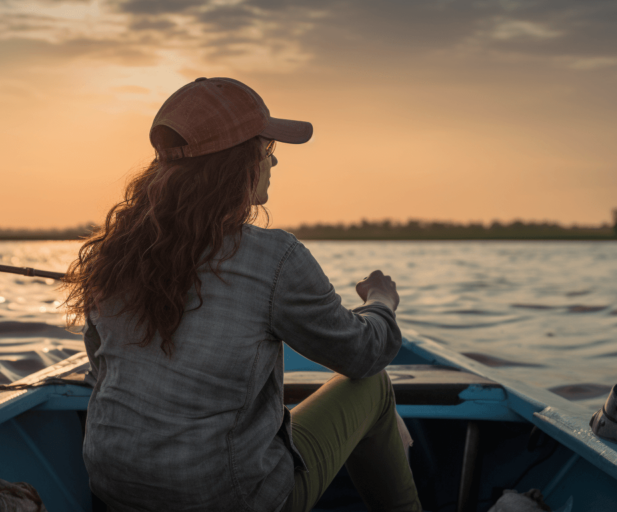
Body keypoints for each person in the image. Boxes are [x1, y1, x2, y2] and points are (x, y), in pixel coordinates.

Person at [63, 77, 421, 512]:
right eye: (268, 152)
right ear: (241, 164)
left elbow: (99, 364)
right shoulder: (275, 259)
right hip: (225, 499)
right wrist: (381, 302)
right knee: (375, 388)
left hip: (112, 489)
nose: (274, 164)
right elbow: (363, 354)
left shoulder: (112, 255)